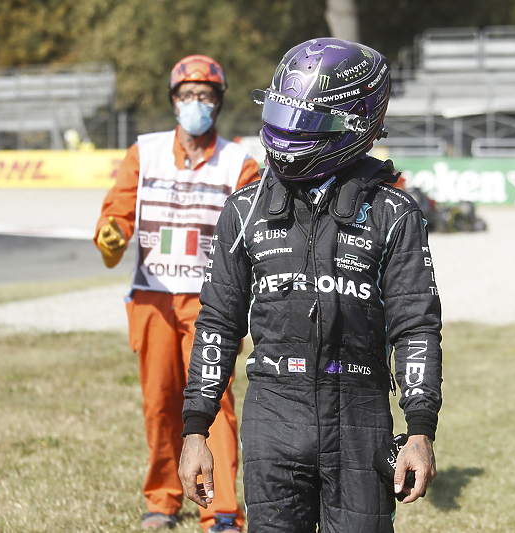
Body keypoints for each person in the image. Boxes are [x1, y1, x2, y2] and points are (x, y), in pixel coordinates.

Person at [178, 38, 443, 533]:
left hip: (362, 420)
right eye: (280, 112)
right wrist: (197, 431)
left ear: (356, 123)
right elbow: (216, 324)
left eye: (306, 120)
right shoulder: (243, 210)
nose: (287, 132)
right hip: (272, 419)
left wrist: (421, 430)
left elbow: (417, 328)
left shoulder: (393, 213)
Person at [95, 54, 259, 532]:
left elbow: (251, 235)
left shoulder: (239, 162)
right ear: (173, 101)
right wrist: (110, 233)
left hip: (213, 303)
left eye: (205, 96)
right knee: (161, 402)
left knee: (216, 401)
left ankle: (221, 509)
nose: (196, 104)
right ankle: (163, 501)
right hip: (153, 299)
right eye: (187, 95)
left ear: (219, 103)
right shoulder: (143, 152)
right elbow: (117, 215)